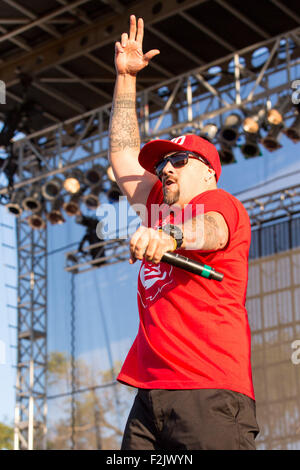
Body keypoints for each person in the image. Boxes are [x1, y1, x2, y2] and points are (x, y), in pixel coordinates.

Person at [108, 15, 259, 450]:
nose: (165, 169)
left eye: (178, 161)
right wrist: (125, 81)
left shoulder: (219, 203)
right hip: (151, 393)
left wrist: (170, 238)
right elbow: (123, 154)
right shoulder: (157, 207)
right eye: (161, 165)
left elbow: (209, 231)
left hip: (208, 388)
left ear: (209, 173)